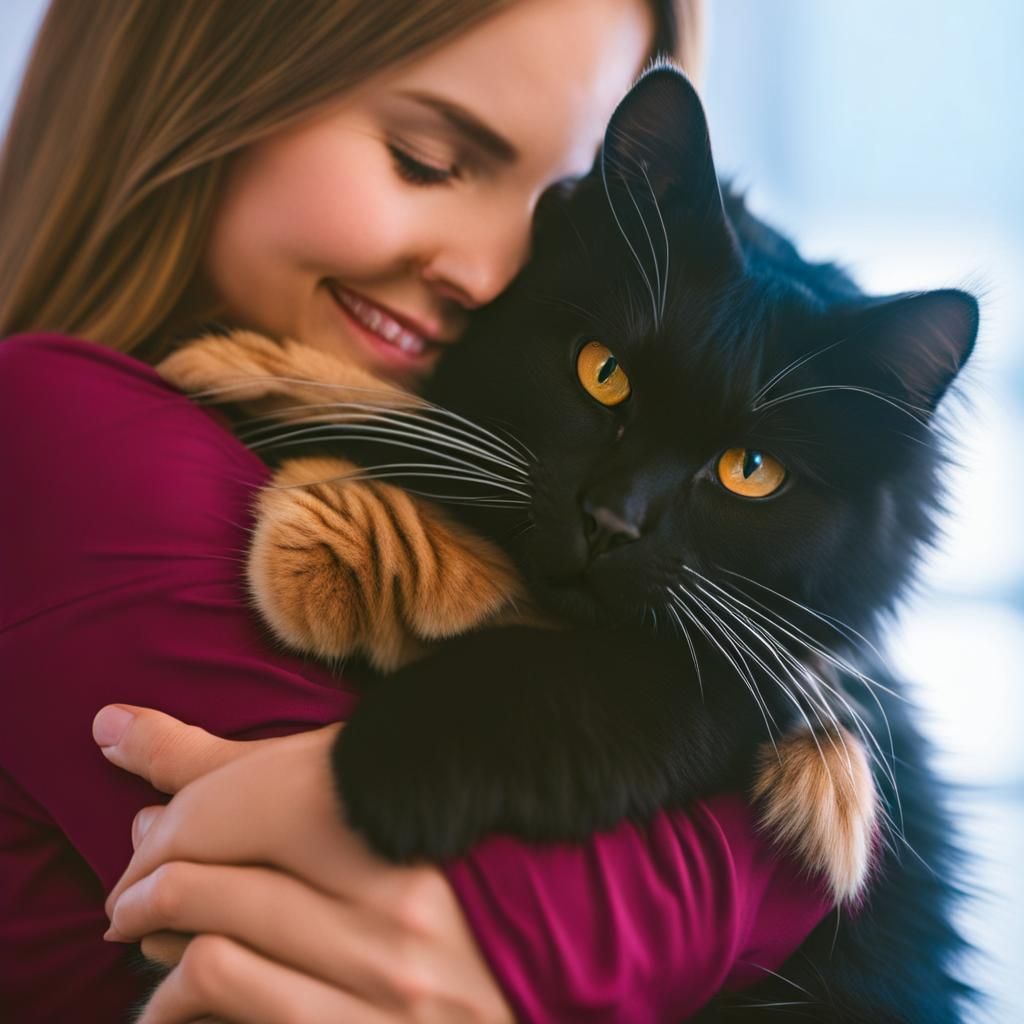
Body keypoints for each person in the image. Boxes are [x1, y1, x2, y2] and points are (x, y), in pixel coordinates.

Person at [0, 1, 832, 1020]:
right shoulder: (51, 435)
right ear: (206, 84)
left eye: (560, 208)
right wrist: (757, 851)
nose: (490, 277)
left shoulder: (464, 460)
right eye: (426, 158)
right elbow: (429, 865)